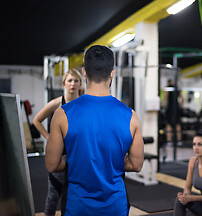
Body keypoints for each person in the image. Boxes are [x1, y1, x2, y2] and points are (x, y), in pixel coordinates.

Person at [45, 45, 144, 216]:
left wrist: (76, 160)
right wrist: (111, 162)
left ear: (84, 72)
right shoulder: (131, 116)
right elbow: (136, 164)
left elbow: (52, 164)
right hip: (115, 206)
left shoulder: (62, 114)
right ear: (112, 73)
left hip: (77, 207)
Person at [33, 68, 83, 216]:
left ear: (80, 84)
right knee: (53, 196)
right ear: (64, 84)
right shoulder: (57, 103)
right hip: (59, 154)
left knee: (73, 198)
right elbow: (36, 121)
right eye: (70, 80)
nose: (73, 84)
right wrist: (49, 138)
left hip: (77, 155)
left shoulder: (84, 104)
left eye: (76, 81)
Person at [162, 79, 184, 146]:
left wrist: (163, 106)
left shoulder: (168, 88)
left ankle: (169, 141)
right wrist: (181, 106)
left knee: (169, 125)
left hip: (171, 108)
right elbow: (182, 99)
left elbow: (165, 98)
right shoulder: (176, 88)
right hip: (176, 108)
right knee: (177, 124)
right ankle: (179, 141)